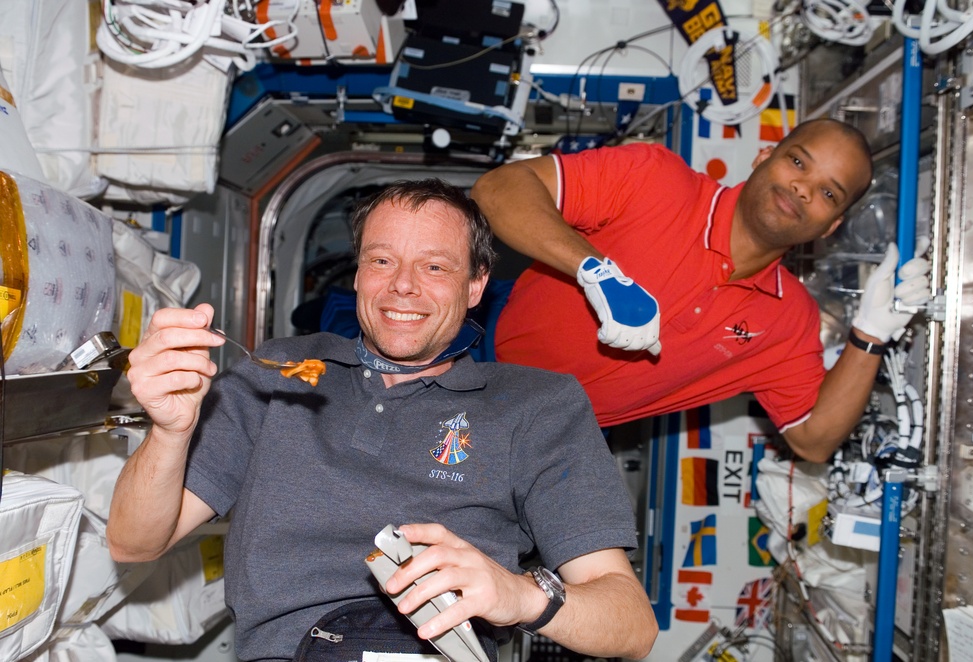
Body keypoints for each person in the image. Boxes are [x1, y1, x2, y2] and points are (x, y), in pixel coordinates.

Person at [106, 179, 658, 662]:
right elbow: (133, 543)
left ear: (475, 286)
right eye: (381, 260)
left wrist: (520, 596)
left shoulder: (536, 406)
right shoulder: (276, 374)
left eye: (435, 266)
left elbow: (634, 627)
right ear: (358, 274)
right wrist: (170, 432)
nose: (403, 285)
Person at [470, 118, 931, 464]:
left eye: (829, 194)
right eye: (797, 162)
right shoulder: (655, 178)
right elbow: (497, 188)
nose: (803, 188)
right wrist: (595, 271)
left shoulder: (789, 322)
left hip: (539, 444)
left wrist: (869, 335)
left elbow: (814, 440)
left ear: (831, 226)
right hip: (470, 354)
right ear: (763, 156)